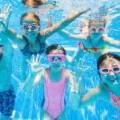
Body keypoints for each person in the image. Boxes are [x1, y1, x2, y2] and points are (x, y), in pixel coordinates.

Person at [23, 44, 80, 119]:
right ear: (48, 59)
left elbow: (75, 90)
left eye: (60, 58)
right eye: (52, 58)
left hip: (62, 111)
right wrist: (32, 75)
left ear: (64, 59)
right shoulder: (43, 73)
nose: (56, 61)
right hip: (46, 111)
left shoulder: (67, 74)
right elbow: (26, 89)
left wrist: (75, 88)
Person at [0, 32, 15, 119]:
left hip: (6, 93)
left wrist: (2, 28)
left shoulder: (7, 59)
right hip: (6, 92)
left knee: (5, 117)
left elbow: (8, 47)